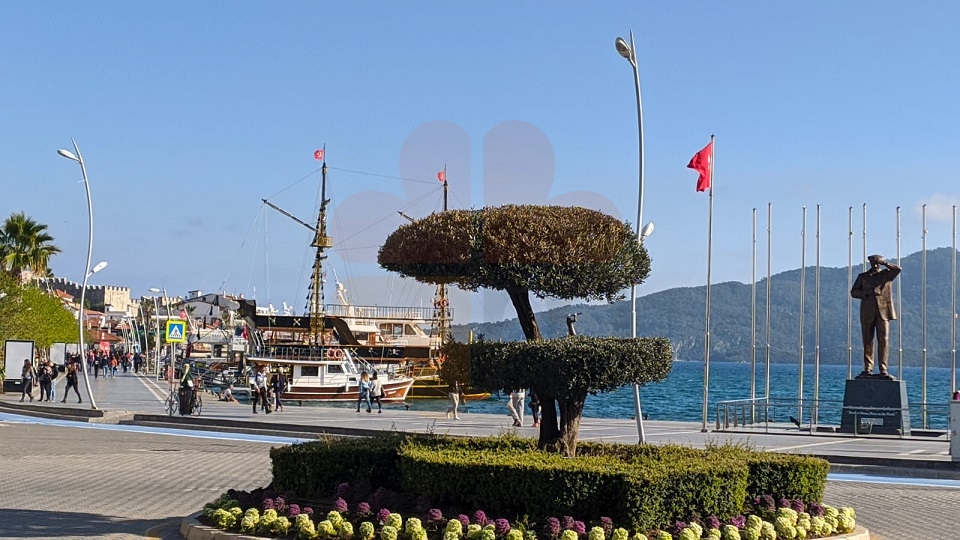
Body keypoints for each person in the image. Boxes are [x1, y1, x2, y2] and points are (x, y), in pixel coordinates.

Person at [850, 254, 901, 379]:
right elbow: (854, 292)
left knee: (884, 340)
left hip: (884, 312)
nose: (876, 265)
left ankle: (883, 368)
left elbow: (898, 269)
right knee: (868, 341)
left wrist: (886, 263)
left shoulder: (886, 275)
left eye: (878, 263)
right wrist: (867, 293)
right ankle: (868, 368)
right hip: (867, 312)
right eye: (874, 263)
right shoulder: (862, 277)